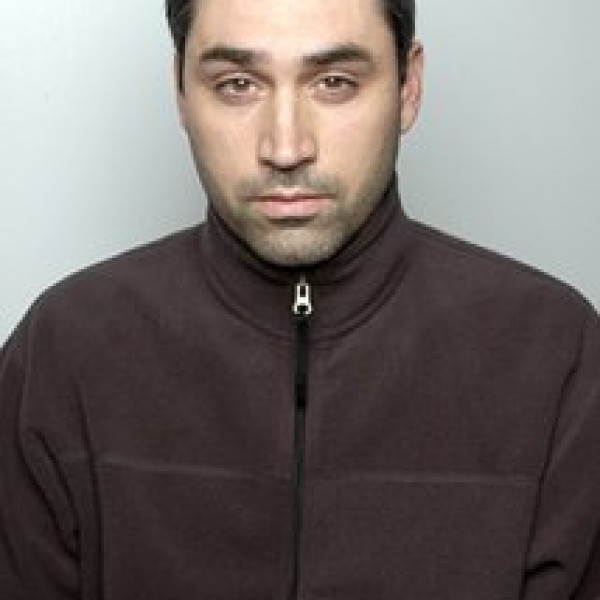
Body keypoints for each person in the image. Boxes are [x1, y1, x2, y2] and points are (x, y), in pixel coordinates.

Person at [1, 0, 599, 598]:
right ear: (180, 90)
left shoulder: (558, 360)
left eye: (334, 82)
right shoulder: (61, 356)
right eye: (237, 84)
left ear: (408, 86)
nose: (286, 148)